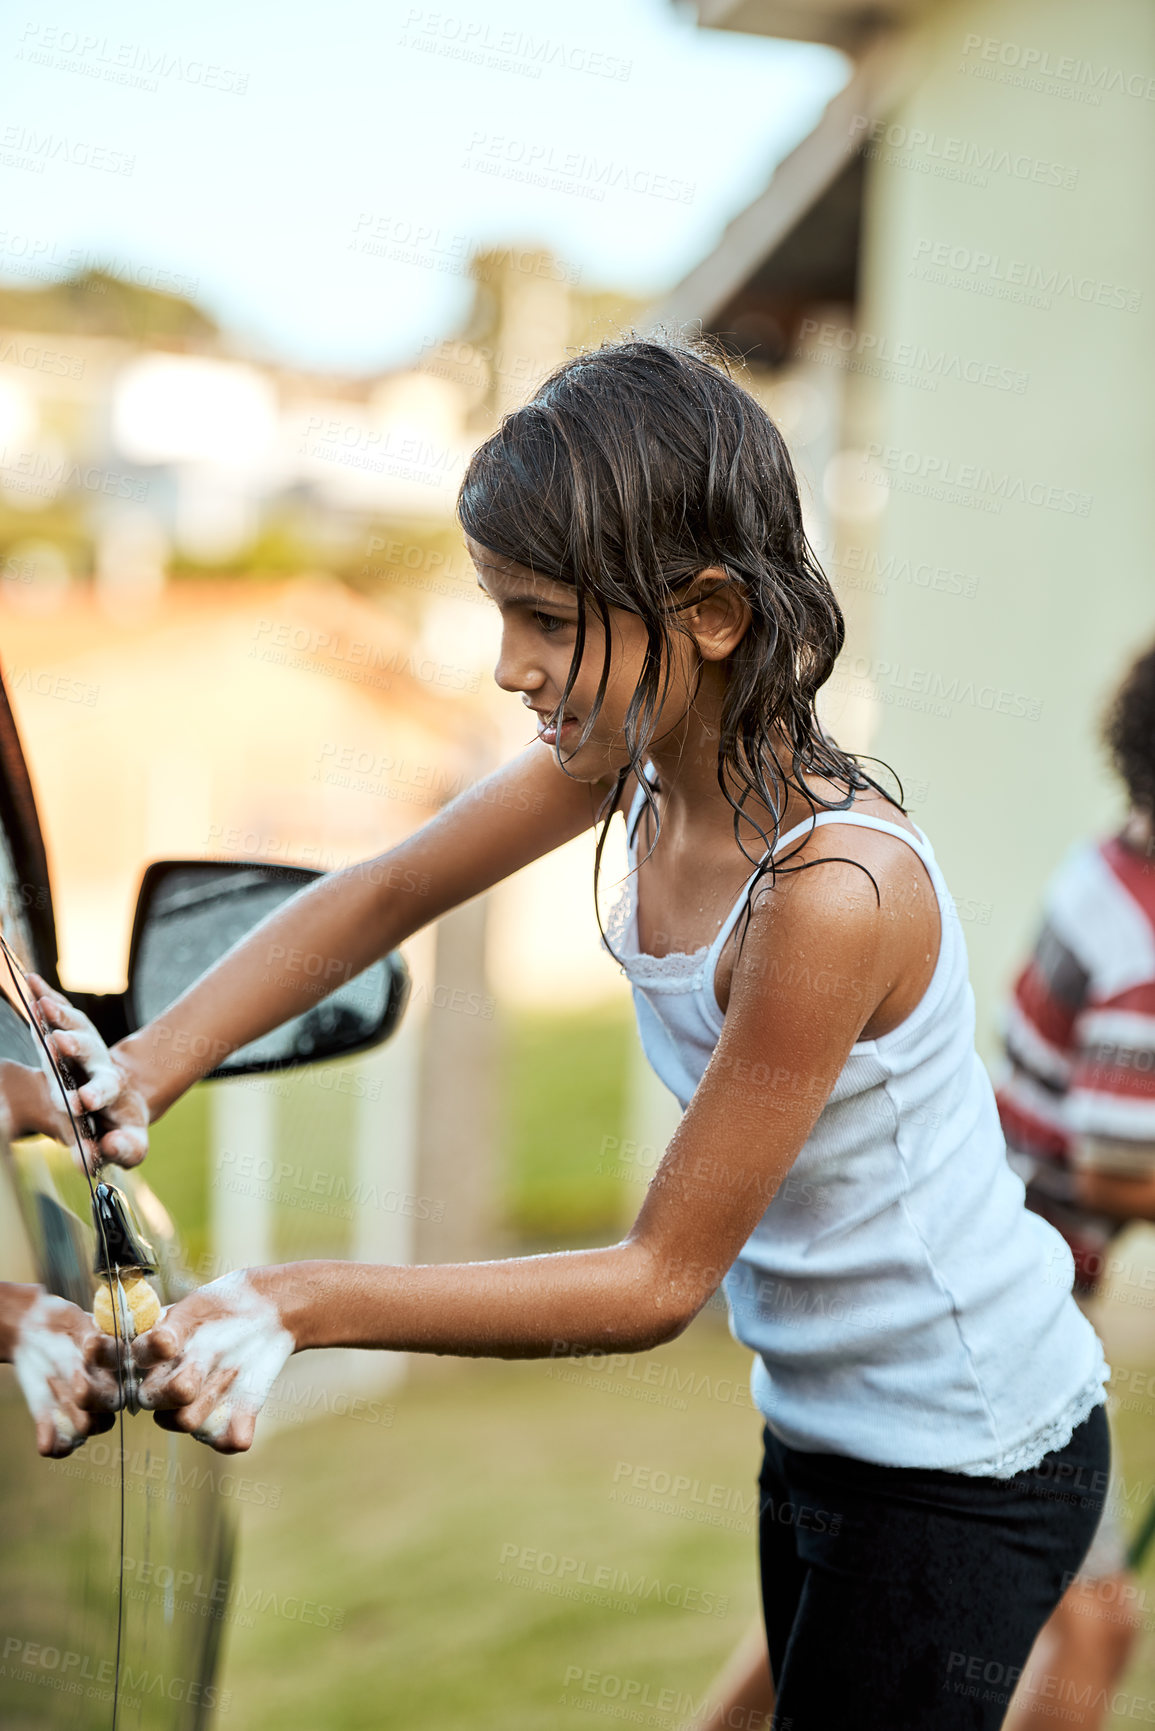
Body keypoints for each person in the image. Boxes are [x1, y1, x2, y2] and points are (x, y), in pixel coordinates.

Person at [42, 339, 1110, 1728]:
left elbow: (654, 1277)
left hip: (959, 1452)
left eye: (544, 618)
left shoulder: (827, 893)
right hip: (828, 1425)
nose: (506, 666)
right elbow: (387, 887)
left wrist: (298, 1297)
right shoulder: (625, 761)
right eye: (501, 612)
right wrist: (147, 1059)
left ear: (709, 612)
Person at [993, 642, 1155, 1730]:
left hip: (975, 1272)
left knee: (851, 1571)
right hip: (1010, 1308)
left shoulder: (1109, 865)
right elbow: (1118, 1164)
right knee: (1095, 1620)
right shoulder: (1146, 940)